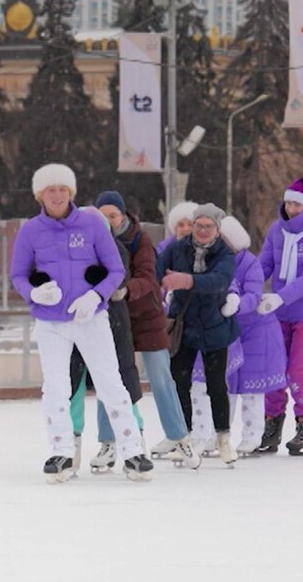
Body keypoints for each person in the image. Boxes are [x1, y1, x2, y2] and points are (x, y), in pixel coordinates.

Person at [9, 164, 153, 482]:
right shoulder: (30, 230)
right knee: (57, 387)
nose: (57, 194)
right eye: (51, 190)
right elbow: (17, 275)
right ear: (40, 195)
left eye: (63, 189)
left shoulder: (91, 223)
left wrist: (95, 297)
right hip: (51, 323)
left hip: (91, 319)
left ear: (71, 192)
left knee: (111, 383)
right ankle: (61, 452)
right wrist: (35, 293)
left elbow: (116, 270)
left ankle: (133, 451)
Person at [90, 191, 193, 462]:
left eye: (113, 215)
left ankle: (179, 436)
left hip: (146, 317)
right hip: (113, 320)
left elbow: (149, 278)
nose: (108, 221)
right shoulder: (93, 240)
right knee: (108, 378)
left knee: (160, 377)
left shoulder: (140, 240)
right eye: (103, 216)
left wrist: (126, 290)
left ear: (122, 216)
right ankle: (109, 441)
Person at [158, 203, 240, 467]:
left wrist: (186, 280)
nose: (202, 230)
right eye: (198, 225)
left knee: (216, 384)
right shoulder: (177, 247)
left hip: (215, 326)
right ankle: (183, 437)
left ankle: (223, 437)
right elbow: (157, 270)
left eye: (208, 226)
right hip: (183, 326)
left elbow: (219, 281)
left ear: (217, 229)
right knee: (179, 382)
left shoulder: (225, 253)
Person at [65, 207, 145, 473]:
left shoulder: (113, 248)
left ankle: (134, 443)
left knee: (119, 385)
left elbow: (116, 274)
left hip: (111, 326)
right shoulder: (68, 249)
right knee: (72, 386)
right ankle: (71, 443)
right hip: (74, 326)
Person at [256, 177, 303, 456]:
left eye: (297, 204)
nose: (291, 208)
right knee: (274, 370)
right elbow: (264, 265)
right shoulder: (277, 231)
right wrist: (247, 289)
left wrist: (280, 296)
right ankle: (272, 426)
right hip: (279, 313)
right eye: (288, 202)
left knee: (298, 371)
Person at [219, 216, 288, 456]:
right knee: (226, 385)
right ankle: (221, 434)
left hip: (257, 331)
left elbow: (253, 294)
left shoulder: (249, 264)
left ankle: (252, 435)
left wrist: (237, 304)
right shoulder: (217, 262)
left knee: (251, 387)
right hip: (230, 332)